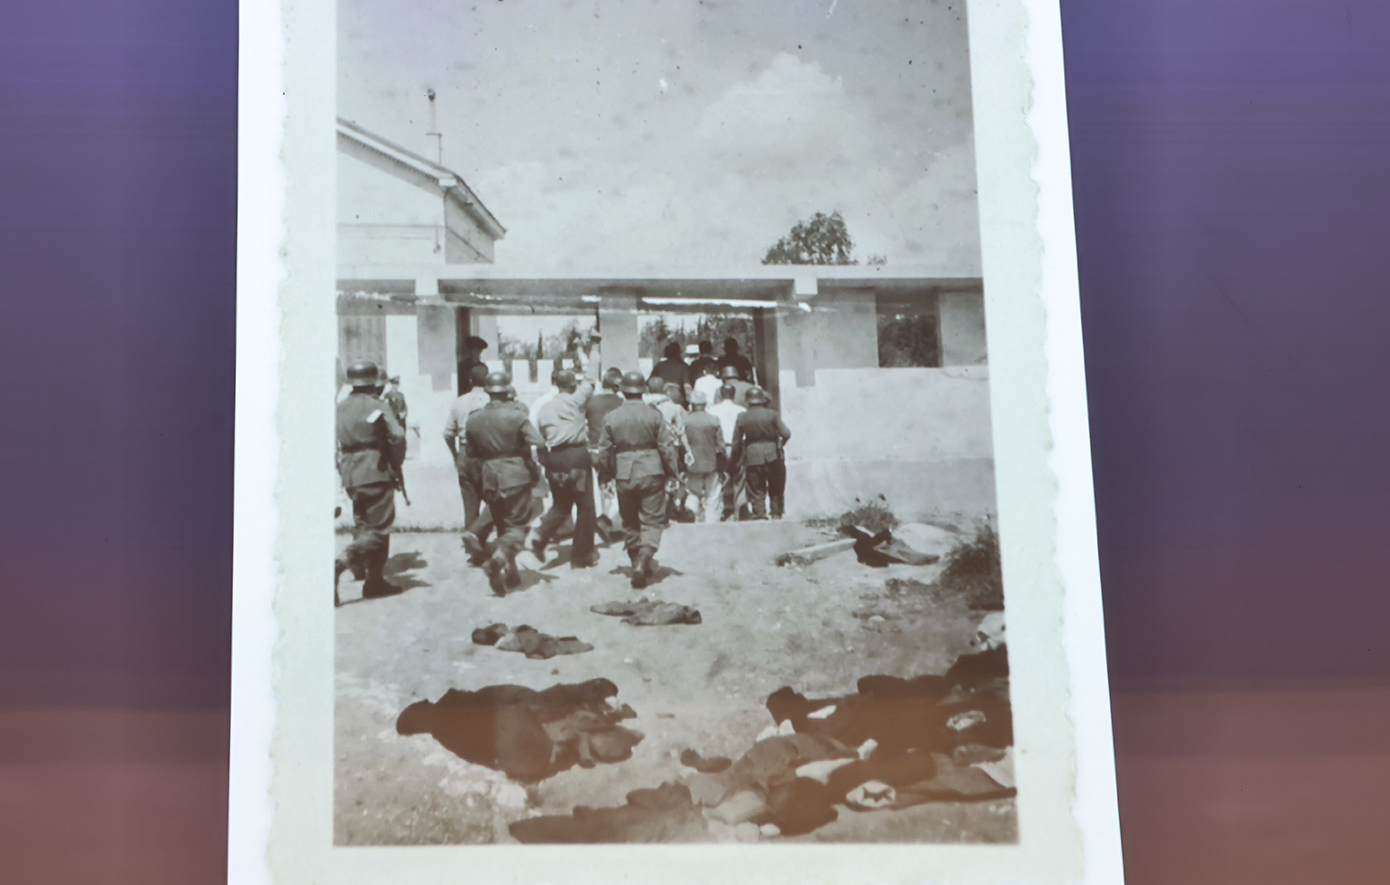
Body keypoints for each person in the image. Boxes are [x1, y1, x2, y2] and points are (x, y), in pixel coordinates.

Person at [595, 371, 681, 588]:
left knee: (630, 521)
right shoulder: (654, 415)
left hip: (624, 473)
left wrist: (605, 474)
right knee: (653, 520)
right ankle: (644, 559)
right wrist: (673, 472)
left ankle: (636, 562)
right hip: (652, 471)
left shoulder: (611, 417)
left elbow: (604, 451)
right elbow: (666, 448)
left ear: (623, 390)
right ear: (643, 390)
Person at [464, 371, 545, 595]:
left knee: (501, 523)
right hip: (515, 474)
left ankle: (511, 573)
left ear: (488, 392)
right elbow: (538, 442)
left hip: (489, 476)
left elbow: (471, 451)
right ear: (507, 390)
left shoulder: (474, 418)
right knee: (519, 525)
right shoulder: (517, 416)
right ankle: (498, 560)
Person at [335, 360, 406, 605]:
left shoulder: (339, 407)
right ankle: (342, 563)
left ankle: (373, 581)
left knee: (363, 524)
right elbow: (398, 435)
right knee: (380, 528)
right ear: (374, 382)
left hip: (350, 473)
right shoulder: (377, 405)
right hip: (375, 470)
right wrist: (395, 462)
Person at [531, 340, 600, 569]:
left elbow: (539, 437)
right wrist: (594, 349)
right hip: (576, 456)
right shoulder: (576, 401)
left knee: (561, 505)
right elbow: (591, 377)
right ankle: (581, 556)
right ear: (572, 385)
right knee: (586, 507)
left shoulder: (544, 408)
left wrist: (545, 461)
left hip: (554, 458)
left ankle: (541, 535)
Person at [443, 364, 493, 564]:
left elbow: (447, 434)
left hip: (465, 453)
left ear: (470, 380)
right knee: (495, 501)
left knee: (470, 503)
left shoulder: (459, 402)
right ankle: (478, 536)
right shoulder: (491, 401)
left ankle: (474, 550)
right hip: (487, 454)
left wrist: (456, 455)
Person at [730, 386, 791, 520]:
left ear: (748, 401)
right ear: (762, 400)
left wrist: (735, 459)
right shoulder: (772, 414)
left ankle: (759, 515)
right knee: (776, 486)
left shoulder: (742, 417)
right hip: (773, 454)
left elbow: (736, 442)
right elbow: (786, 433)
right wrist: (780, 444)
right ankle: (776, 514)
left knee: (756, 488)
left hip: (752, 456)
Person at [586, 368, 626, 538]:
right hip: (615, 450)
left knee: (598, 487)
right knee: (616, 487)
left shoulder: (591, 402)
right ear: (617, 386)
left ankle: (601, 517)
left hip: (594, 448)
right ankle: (614, 523)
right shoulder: (622, 403)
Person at [682, 390, 725, 523]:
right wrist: (723, 465)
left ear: (692, 404)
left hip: (692, 464)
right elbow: (721, 446)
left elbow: (680, 445)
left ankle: (691, 514)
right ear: (705, 404)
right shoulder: (714, 420)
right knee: (712, 494)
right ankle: (711, 521)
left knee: (693, 492)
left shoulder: (685, 421)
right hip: (711, 463)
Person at [706, 382, 746, 520]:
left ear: (720, 395)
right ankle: (739, 512)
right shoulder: (741, 410)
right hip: (737, 447)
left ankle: (717, 514)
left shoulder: (712, 410)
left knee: (719, 481)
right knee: (738, 480)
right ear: (734, 395)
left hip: (720, 448)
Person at [648, 340, 691, 405]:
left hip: (661, 399)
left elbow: (650, 383)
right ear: (678, 354)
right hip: (678, 401)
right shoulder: (683, 366)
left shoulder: (659, 365)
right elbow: (687, 387)